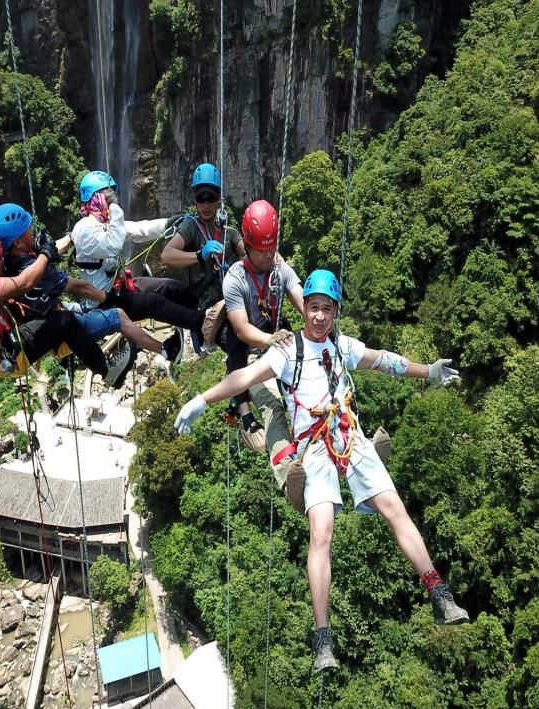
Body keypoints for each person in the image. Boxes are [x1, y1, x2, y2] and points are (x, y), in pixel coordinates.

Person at [175, 269, 470, 673]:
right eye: (312, 308)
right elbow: (242, 375)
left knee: (394, 508)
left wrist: (428, 371)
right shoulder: (286, 350)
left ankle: (439, 594)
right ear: (304, 310)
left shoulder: (341, 346)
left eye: (325, 309)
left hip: (351, 437)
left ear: (334, 312)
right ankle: (323, 640)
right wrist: (201, 399)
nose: (317, 316)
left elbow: (385, 362)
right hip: (314, 449)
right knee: (322, 530)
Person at [0, 193, 132, 387]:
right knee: (65, 321)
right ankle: (107, 372)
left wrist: (2, 244)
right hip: (7, 354)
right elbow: (24, 283)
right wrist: (45, 253)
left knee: (48, 317)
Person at [0, 202, 183, 368]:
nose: (30, 232)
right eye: (26, 230)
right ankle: (166, 350)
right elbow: (79, 287)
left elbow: (51, 252)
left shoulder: (6, 262)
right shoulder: (38, 272)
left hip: (49, 317)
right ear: (17, 242)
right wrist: (108, 298)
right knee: (119, 316)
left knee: (81, 308)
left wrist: (70, 237)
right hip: (58, 326)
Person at [69, 170, 214, 349]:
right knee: (153, 303)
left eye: (112, 195)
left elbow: (138, 230)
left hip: (120, 287)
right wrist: (114, 206)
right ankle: (204, 324)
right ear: (95, 197)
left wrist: (168, 223)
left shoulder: (104, 223)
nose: (112, 199)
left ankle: (196, 331)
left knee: (173, 288)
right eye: (107, 195)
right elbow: (114, 244)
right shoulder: (84, 229)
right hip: (104, 301)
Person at [221, 199, 303, 471]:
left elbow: (299, 297)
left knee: (306, 394)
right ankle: (286, 468)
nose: (269, 256)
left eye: (272, 249)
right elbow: (242, 329)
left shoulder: (280, 269)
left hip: (280, 344)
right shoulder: (235, 279)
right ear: (247, 245)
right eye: (262, 251)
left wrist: (318, 317)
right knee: (272, 407)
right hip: (252, 354)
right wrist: (269, 340)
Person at [161, 163, 245, 353]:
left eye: (211, 198)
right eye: (201, 199)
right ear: (195, 200)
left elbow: (247, 252)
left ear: (218, 199)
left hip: (231, 302)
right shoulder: (191, 227)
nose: (206, 205)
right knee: (235, 345)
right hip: (206, 308)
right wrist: (199, 255)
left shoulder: (228, 233)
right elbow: (167, 255)